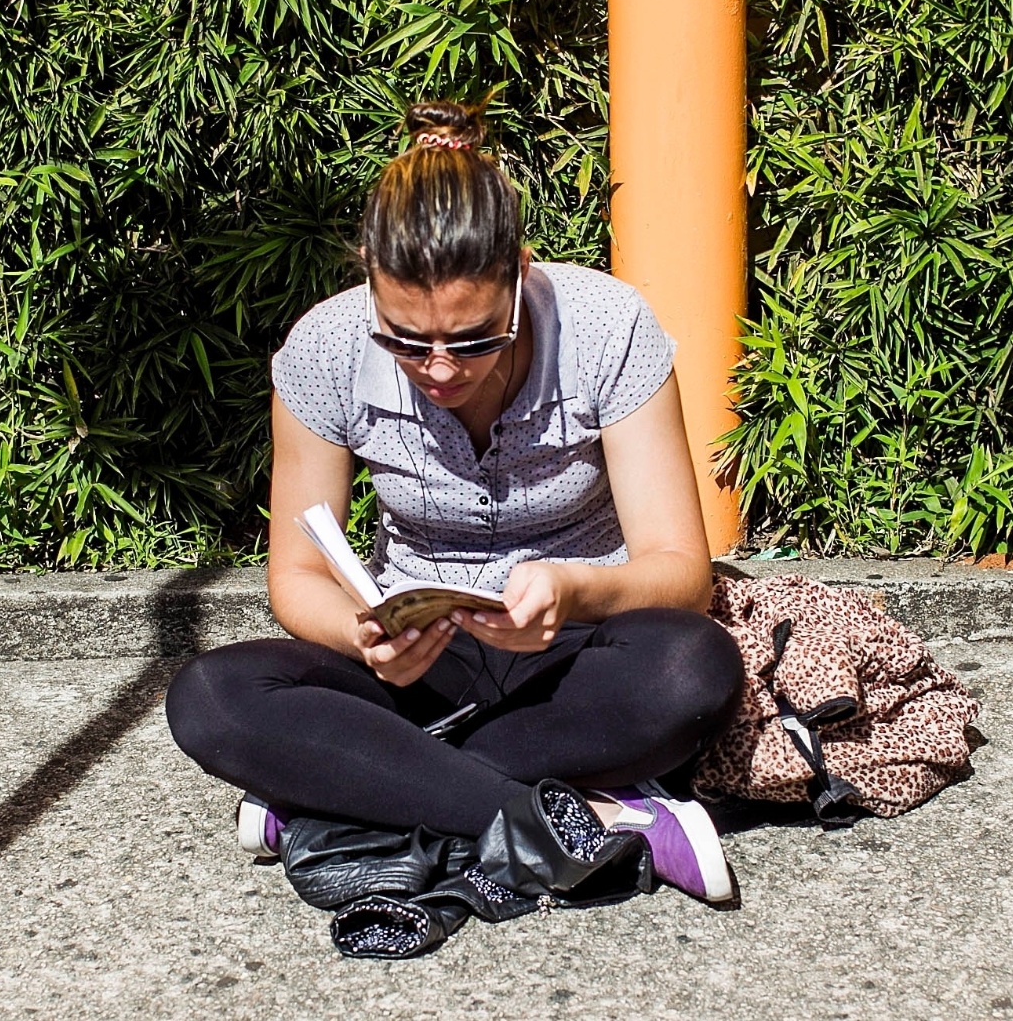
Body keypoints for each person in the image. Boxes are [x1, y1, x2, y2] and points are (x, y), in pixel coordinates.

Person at [164, 99, 745, 903]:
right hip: (418, 666)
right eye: (405, 338)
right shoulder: (325, 349)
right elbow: (294, 576)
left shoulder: (608, 326)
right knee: (211, 699)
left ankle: (350, 794)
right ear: (369, 276)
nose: (439, 368)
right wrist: (362, 638)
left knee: (694, 668)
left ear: (520, 274)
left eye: (476, 339)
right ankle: (593, 824)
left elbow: (682, 571)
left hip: (576, 654)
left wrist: (575, 588)